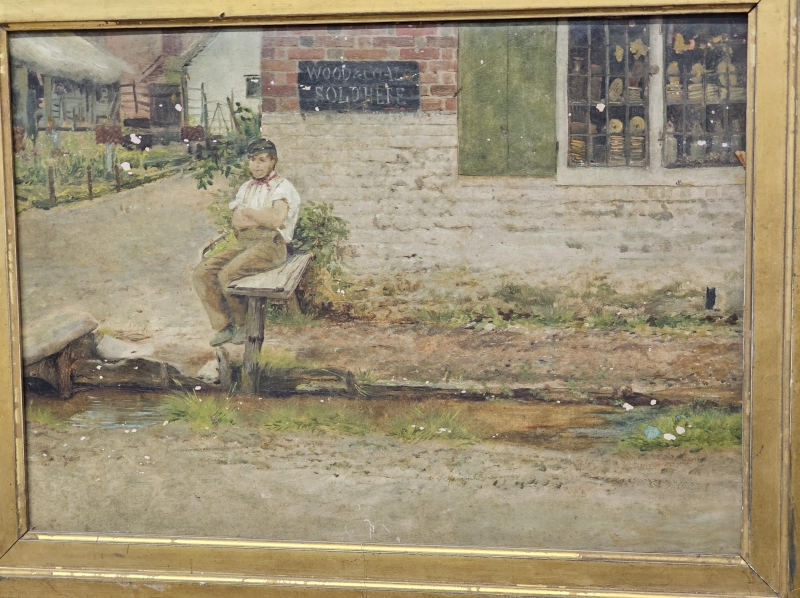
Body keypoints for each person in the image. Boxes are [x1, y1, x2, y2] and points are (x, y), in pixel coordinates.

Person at [193, 139, 302, 346]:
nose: (256, 165)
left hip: (271, 244)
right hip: (244, 241)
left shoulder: (283, 187)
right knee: (202, 272)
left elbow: (275, 220)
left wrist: (250, 212)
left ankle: (243, 324)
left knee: (228, 274)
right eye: (252, 160)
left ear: (273, 161)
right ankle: (224, 325)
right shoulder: (246, 187)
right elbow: (237, 221)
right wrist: (260, 216)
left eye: (262, 160)